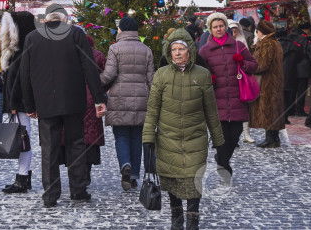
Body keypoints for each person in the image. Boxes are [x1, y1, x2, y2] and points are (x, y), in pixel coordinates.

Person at [19, 4, 106, 208]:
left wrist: (29, 104)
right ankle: (78, 190)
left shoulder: (32, 38)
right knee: (76, 145)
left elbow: (25, 74)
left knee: (49, 149)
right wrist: (98, 99)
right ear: (64, 18)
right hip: (74, 100)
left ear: (46, 19)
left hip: (46, 102)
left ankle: (50, 195)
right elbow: (90, 69)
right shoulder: (76, 34)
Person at [143, 28, 224, 230]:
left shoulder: (203, 75)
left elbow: (211, 111)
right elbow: (152, 109)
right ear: (169, 52)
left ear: (190, 52)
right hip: (167, 139)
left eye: (181, 49)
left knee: (193, 181)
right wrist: (147, 139)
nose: (177, 53)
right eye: (174, 49)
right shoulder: (161, 75)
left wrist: (219, 141)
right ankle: (177, 223)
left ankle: (193, 224)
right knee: (172, 182)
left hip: (195, 139)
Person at [199, 12, 257, 182]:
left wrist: (243, 63)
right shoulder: (205, 50)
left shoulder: (239, 46)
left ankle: (221, 159)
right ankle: (224, 165)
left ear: (226, 27)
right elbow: (199, 71)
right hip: (216, 99)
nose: (219, 29)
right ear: (210, 29)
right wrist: (208, 78)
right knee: (221, 137)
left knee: (235, 135)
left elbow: (254, 65)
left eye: (221, 26)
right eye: (215, 27)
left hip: (237, 98)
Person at [100, 16, 154, 191]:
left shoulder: (115, 48)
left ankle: (125, 164)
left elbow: (108, 75)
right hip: (142, 99)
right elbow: (151, 79)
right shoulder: (146, 49)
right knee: (137, 137)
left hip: (119, 98)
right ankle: (133, 176)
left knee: (121, 135)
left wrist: (96, 83)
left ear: (121, 30)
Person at [0, 11, 37, 194]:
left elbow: (21, 81)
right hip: (19, 102)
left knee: (24, 140)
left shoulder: (23, 52)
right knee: (24, 138)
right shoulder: (20, 50)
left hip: (20, 102)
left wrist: (14, 103)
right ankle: (24, 176)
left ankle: (22, 179)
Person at [64, 34, 105, 186]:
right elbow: (107, 75)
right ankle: (86, 174)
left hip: (72, 98)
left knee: (72, 141)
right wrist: (101, 92)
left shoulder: (68, 53)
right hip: (92, 100)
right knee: (89, 139)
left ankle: (73, 175)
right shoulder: (98, 55)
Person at [249, 20, 285, 148]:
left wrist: (250, 67)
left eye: (257, 30)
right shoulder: (275, 42)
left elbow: (263, 65)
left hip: (267, 82)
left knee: (268, 109)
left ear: (262, 31)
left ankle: (270, 139)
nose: (256, 33)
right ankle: (274, 138)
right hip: (275, 80)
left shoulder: (267, 44)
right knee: (274, 108)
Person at [276, 24, 302, 125]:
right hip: (290, 74)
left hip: (276, 75)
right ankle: (285, 117)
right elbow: (299, 58)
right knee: (288, 98)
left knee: (277, 98)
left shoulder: (274, 46)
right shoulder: (294, 46)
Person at [293, 24, 311, 117]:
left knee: (293, 90)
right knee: (301, 90)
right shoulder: (304, 38)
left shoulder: (293, 37)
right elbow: (307, 52)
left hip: (293, 67)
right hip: (303, 67)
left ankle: (292, 109)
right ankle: (300, 110)